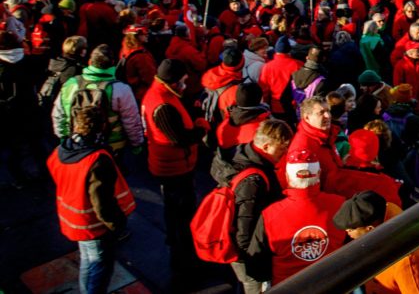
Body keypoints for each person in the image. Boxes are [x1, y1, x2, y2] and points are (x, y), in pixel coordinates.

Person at [46, 106, 135, 294]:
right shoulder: (97, 159)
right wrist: (117, 224)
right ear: (102, 127)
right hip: (94, 225)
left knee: (88, 261)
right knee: (100, 267)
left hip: (72, 218)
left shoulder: (62, 150)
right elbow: (102, 203)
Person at [141, 58, 211, 282]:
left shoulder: (163, 95)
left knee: (177, 212)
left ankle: (181, 247)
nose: (184, 85)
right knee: (181, 214)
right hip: (174, 167)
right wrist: (200, 127)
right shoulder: (162, 105)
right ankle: (185, 260)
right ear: (171, 82)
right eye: (181, 82)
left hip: (174, 164)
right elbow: (178, 138)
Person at [210, 119, 293, 294]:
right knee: (252, 287)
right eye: (282, 147)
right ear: (266, 146)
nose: (285, 152)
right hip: (247, 256)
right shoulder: (254, 181)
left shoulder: (241, 156)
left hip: (237, 249)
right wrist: (255, 267)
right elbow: (244, 229)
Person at [246, 148, 348, 285]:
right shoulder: (340, 204)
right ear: (318, 174)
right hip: (334, 285)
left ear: (287, 177)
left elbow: (255, 268)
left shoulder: (270, 215)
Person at [333, 190, 419, 294]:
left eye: (351, 229)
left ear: (370, 229)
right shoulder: (390, 214)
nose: (347, 232)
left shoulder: (406, 261)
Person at [53, 46, 145, 156]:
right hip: (112, 146)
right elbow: (131, 121)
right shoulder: (121, 89)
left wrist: (63, 137)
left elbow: (59, 114)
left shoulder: (71, 84)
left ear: (90, 62)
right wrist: (137, 144)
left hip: (77, 141)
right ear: (113, 63)